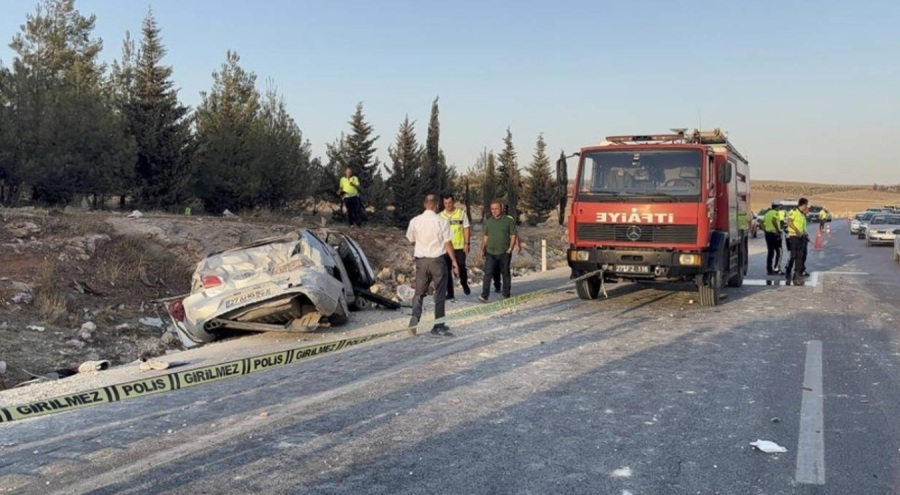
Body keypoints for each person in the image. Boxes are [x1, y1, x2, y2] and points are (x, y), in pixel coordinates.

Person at [406, 194, 458, 337]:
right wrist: (454, 261)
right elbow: (448, 243)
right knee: (440, 294)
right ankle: (438, 326)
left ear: (424, 205)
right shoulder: (441, 221)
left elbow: (411, 239)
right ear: (436, 206)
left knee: (419, 292)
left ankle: (414, 318)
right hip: (437, 261)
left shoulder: (415, 221)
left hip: (421, 261)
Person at [479, 200, 517, 302]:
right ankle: (484, 295)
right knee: (488, 273)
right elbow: (486, 236)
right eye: (492, 209)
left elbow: (513, 235)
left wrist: (511, 247)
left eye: (496, 208)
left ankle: (506, 293)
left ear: (501, 208)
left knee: (505, 273)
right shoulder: (489, 221)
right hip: (490, 252)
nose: (494, 211)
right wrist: (483, 248)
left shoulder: (508, 220)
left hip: (504, 251)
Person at [440, 193, 471, 298]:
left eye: (449, 202)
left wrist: (467, 243)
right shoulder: (440, 216)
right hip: (446, 249)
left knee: (461, 267)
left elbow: (466, 228)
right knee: (447, 270)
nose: (448, 205)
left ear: (453, 202)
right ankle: (450, 293)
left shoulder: (461, 213)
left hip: (459, 247)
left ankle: (464, 283)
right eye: (445, 203)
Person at [492, 203, 521, 292]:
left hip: (506, 248)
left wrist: (517, 244)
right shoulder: (493, 219)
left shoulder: (509, 219)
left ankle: (506, 289)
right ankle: (497, 285)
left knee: (505, 269)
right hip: (494, 248)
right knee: (495, 268)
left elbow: (514, 233)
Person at [785, 197, 810, 283]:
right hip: (793, 237)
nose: (807, 206)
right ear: (803, 205)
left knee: (800, 256)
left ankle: (797, 274)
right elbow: (789, 222)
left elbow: (802, 226)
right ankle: (788, 270)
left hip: (801, 237)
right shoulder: (794, 212)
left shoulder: (802, 214)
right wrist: (797, 231)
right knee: (793, 256)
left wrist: (804, 233)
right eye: (806, 205)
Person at [762, 202, 783, 275]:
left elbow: (761, 221)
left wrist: (765, 229)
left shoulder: (767, 213)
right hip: (774, 234)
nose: (780, 209)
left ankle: (769, 270)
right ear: (777, 207)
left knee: (770, 252)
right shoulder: (775, 213)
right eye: (779, 207)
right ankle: (776, 268)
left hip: (768, 234)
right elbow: (774, 220)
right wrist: (778, 230)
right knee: (779, 252)